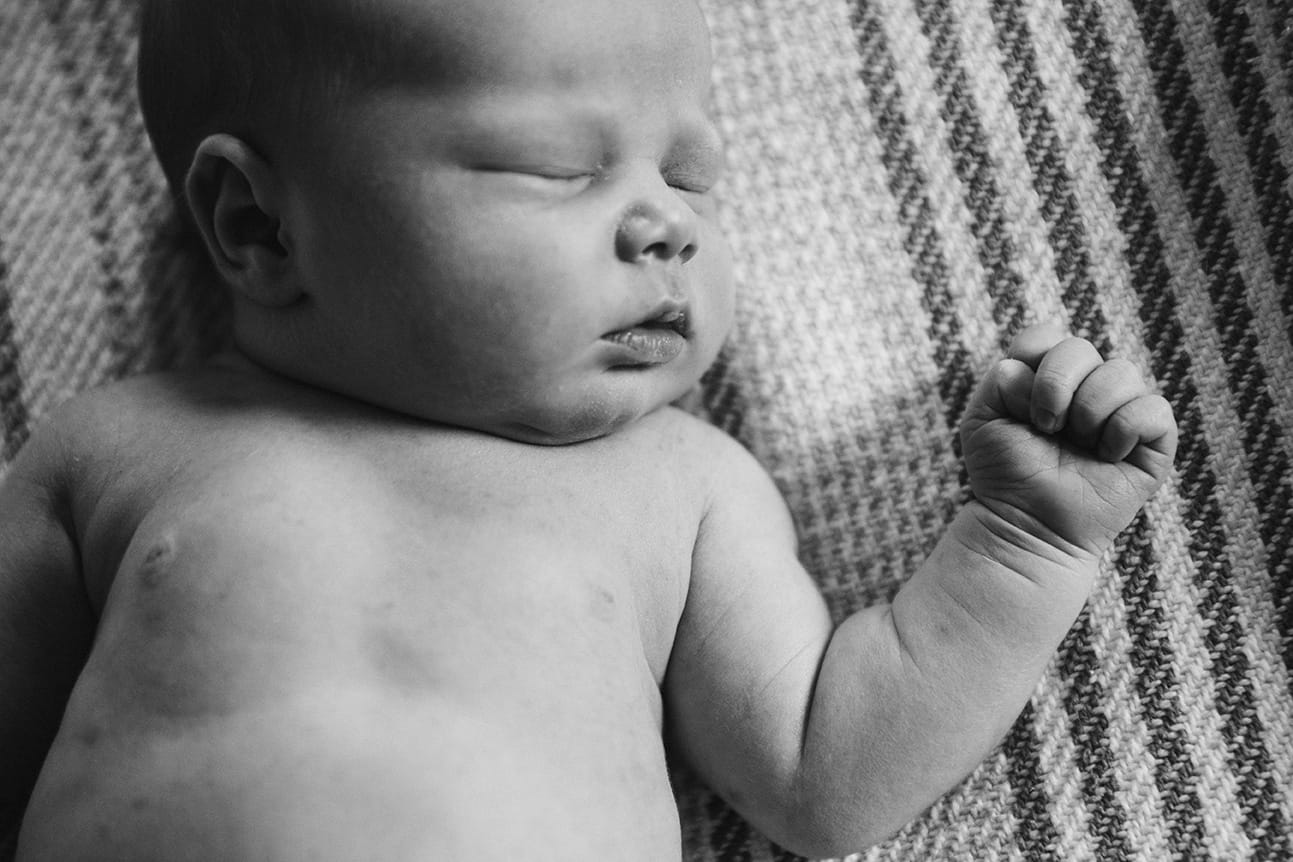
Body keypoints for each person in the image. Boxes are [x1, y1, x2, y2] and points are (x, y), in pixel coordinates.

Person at [0, 0, 1177, 858]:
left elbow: (827, 771)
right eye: (557, 167)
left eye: (694, 174)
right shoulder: (118, 449)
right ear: (257, 223)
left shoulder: (677, 487)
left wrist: (1024, 542)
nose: (666, 223)